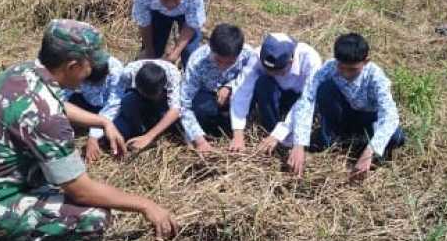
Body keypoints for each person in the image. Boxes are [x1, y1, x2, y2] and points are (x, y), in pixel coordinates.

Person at [0, 19, 178, 241]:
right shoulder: (48, 120)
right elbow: (81, 191)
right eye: (89, 66)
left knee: (52, 185)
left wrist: (102, 122)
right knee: (94, 218)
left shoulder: (19, 73)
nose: (91, 72)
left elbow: (55, 105)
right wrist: (146, 205)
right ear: (73, 66)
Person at [289, 33, 406, 181]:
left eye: (352, 69)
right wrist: (299, 144)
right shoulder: (329, 68)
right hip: (343, 115)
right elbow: (307, 98)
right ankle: (335, 137)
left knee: (397, 136)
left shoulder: (376, 76)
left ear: (366, 61)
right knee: (325, 88)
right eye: (341, 67)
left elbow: (389, 115)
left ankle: (362, 144)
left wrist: (371, 150)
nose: (345, 73)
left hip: (368, 119)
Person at [227, 33, 321, 154]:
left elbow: (306, 101)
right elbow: (242, 90)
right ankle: (271, 129)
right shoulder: (257, 55)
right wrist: (238, 133)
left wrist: (278, 135)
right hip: (277, 94)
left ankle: (282, 138)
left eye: (279, 72)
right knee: (263, 83)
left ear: (291, 60)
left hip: (300, 98)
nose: (273, 74)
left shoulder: (310, 60)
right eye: (268, 70)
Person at [180, 23, 257, 153]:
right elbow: (184, 103)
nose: (223, 66)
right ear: (211, 48)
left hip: (237, 97)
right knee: (203, 110)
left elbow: (251, 80)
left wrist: (230, 86)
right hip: (208, 97)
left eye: (230, 62)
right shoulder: (197, 61)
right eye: (218, 61)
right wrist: (199, 141)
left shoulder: (248, 55)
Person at [132, 0, 205, 67]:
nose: (170, 4)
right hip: (158, 12)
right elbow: (144, 22)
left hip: (185, 13)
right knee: (152, 53)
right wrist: (149, 51)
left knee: (190, 53)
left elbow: (192, 23)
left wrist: (175, 53)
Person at [103, 59, 183, 152]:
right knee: (127, 102)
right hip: (136, 99)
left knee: (171, 119)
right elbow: (114, 101)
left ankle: (153, 128)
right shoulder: (128, 72)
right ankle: (139, 129)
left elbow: (175, 110)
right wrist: (99, 132)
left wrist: (148, 137)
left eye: (152, 96)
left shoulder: (173, 75)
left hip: (163, 104)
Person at [60, 55, 124, 163]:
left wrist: (93, 136)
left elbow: (113, 105)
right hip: (86, 101)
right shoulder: (75, 68)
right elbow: (62, 95)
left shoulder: (117, 71)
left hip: (105, 108)